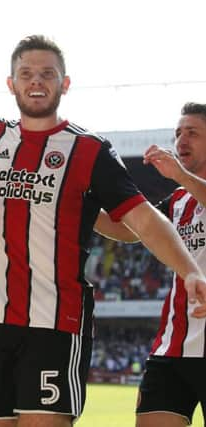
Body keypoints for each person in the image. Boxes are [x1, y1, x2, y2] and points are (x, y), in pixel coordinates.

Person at [0, 35, 206, 427]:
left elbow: (142, 220)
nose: (36, 81)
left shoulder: (90, 151)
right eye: (26, 73)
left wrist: (189, 270)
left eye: (47, 74)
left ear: (64, 84)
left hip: (55, 327)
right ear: (11, 83)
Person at [97, 102, 206, 427]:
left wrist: (180, 175)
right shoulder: (177, 201)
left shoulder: (185, 185)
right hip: (173, 348)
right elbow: (130, 231)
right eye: (178, 133)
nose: (181, 140)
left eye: (193, 133)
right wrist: (84, 208)